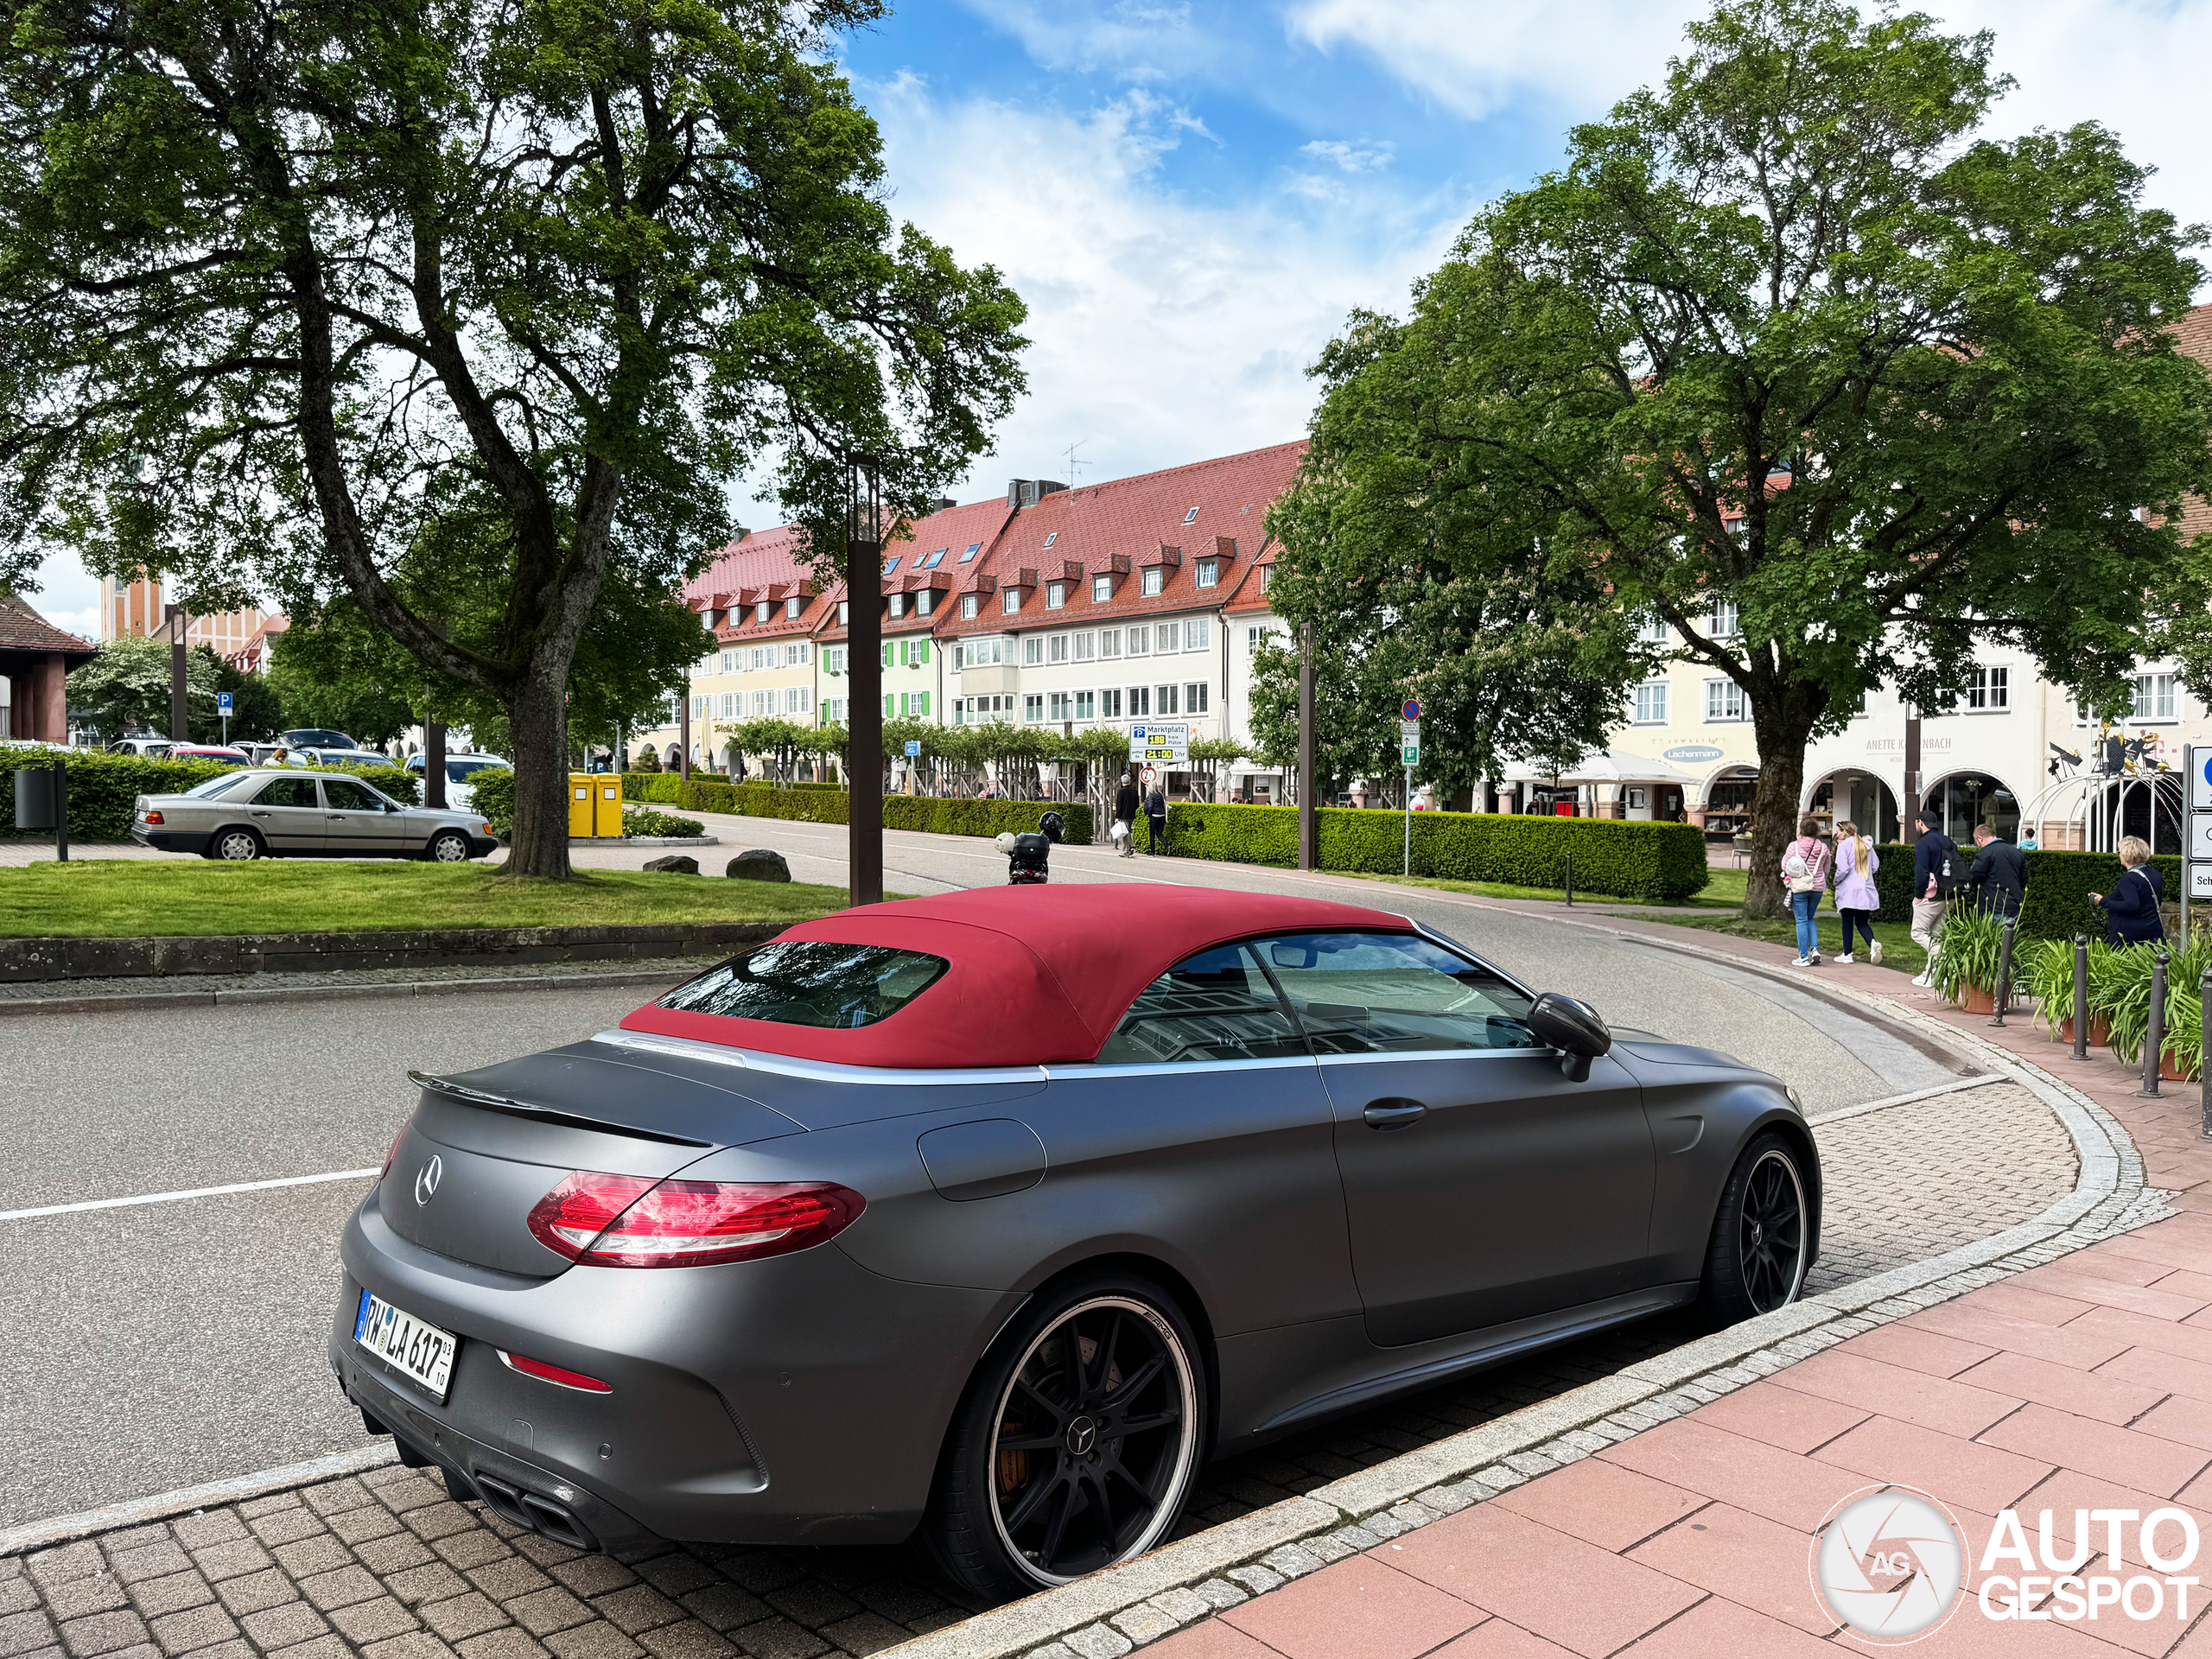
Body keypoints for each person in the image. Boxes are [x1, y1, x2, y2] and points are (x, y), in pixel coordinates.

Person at [1909, 813, 1960, 988]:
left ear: (1920, 822)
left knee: (1918, 933)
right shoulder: (1947, 841)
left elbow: (1921, 872)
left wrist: (1918, 895)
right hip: (1950, 894)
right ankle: (1934, 975)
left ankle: (1944, 960)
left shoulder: (1923, 843)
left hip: (1931, 895)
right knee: (1935, 935)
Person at [2088, 836, 2164, 944]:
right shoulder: (2154, 874)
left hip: (2130, 936)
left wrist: (2102, 901)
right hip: (2153, 930)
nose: (2118, 855)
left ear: (2126, 854)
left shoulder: (2129, 879)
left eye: (2119, 852)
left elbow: (2132, 905)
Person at [1782, 813, 1831, 968]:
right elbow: (1827, 868)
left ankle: (1803, 956)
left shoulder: (1794, 846)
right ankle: (1815, 949)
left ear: (1801, 830)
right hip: (1817, 887)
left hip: (1799, 886)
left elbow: (1785, 865)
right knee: (1810, 918)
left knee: (1801, 920)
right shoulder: (1823, 847)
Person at [1831, 820, 1881, 966]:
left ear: (1845, 832)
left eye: (1839, 831)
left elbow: (1843, 869)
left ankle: (1847, 954)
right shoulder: (1866, 845)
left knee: (1847, 923)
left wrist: (1835, 881)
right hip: (1865, 890)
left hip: (1848, 891)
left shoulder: (1843, 846)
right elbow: (1875, 866)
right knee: (1862, 923)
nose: (1838, 834)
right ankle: (1872, 943)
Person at [1964, 821, 2027, 918]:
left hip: (1992, 906)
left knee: (1995, 933)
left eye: (1977, 842)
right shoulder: (2018, 853)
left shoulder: (1984, 853)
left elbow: (1974, 876)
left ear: (1980, 839)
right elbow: (2023, 879)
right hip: (2014, 904)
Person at [1112, 774, 1140, 859]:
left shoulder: (1121, 792)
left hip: (1124, 815)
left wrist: (1118, 816)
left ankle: (1126, 850)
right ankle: (1131, 846)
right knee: (1128, 831)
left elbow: (1119, 805)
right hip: (1132, 815)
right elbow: (1137, 804)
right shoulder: (1134, 791)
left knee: (1125, 833)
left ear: (1122, 782)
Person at [1145, 779, 1168, 855]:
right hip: (1162, 816)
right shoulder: (1160, 795)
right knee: (1159, 834)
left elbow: (1150, 807)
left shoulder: (1150, 796)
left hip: (1154, 816)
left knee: (1152, 834)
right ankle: (1167, 846)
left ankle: (1152, 852)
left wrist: (1148, 814)